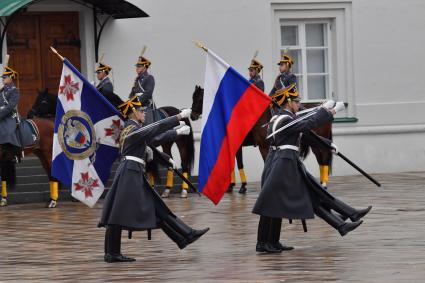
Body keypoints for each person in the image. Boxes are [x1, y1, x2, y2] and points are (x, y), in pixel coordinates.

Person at [253, 85, 372, 253]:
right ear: (288, 102)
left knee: (281, 203)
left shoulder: (286, 118)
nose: (299, 104)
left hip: (284, 164)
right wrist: (327, 111)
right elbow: (309, 123)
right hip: (282, 165)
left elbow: (306, 134)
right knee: (281, 203)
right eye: (296, 101)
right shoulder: (284, 120)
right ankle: (264, 242)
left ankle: (270, 242)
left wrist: (329, 146)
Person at [99, 96, 208, 263]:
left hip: (133, 172)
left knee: (156, 207)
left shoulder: (133, 129)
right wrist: (177, 119)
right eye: (141, 110)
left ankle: (185, 236)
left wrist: (164, 157)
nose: (144, 112)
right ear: (133, 112)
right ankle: (111, 253)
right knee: (118, 212)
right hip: (130, 173)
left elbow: (151, 142)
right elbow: (154, 129)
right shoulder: (132, 129)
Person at [0, 64, 22, 163]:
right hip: (1, 115)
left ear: (11, 78)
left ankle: (15, 154)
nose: (3, 79)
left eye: (5, 77)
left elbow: (10, 106)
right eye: (3, 77)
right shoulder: (2, 91)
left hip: (10, 116)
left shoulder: (15, 91)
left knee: (8, 132)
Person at [129, 52, 156, 124]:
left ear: (144, 67)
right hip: (136, 108)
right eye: (137, 66)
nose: (137, 68)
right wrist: (129, 103)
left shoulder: (149, 78)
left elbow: (148, 94)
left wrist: (135, 102)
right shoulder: (136, 80)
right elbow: (132, 94)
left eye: (139, 66)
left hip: (145, 107)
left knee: (148, 127)